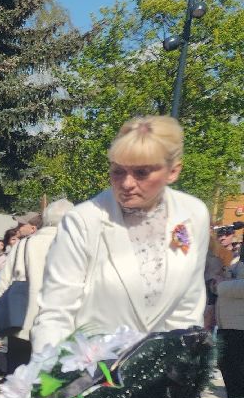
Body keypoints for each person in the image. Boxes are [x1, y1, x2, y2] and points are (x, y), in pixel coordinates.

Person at [33, 116, 210, 353]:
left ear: (173, 171)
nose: (126, 183)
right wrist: (51, 378)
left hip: (162, 375)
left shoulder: (193, 213)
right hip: (92, 374)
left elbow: (189, 304)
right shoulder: (84, 220)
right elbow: (56, 313)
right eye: (117, 172)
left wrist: (180, 364)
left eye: (141, 173)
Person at [0, 199, 72, 371]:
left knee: (19, 379)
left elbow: (3, 282)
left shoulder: (24, 244)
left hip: (21, 321)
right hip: (59, 325)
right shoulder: (75, 246)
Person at [211, 227, 244, 398]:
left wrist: (221, 285)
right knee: (229, 370)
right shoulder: (237, 256)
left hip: (239, 327)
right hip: (228, 324)